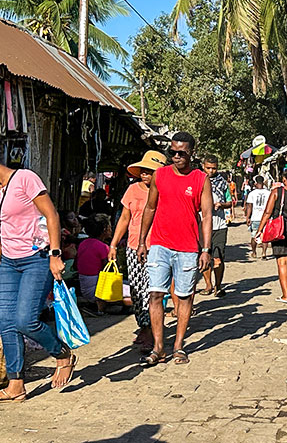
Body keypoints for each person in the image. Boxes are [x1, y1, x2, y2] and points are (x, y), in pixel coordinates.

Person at [0, 128, 76, 402]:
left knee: (26, 320)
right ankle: (16, 385)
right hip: (9, 261)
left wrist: (56, 254)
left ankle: (62, 353)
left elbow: (51, 214)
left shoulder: (26, 179)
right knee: (6, 322)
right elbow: (1, 222)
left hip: (37, 258)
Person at [138, 132, 213, 367]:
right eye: (173, 152)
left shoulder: (201, 179)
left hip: (189, 248)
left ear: (191, 152)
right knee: (155, 294)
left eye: (182, 152)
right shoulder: (160, 175)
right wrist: (142, 241)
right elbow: (150, 208)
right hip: (160, 244)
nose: (177, 156)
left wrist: (206, 249)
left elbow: (207, 215)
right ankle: (159, 347)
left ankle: (178, 345)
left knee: (184, 297)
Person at [108, 150, 166, 353]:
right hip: (134, 247)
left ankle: (151, 332)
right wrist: (113, 245)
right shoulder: (132, 190)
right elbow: (124, 219)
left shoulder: (164, 191)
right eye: (143, 171)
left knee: (153, 291)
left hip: (158, 247)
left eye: (150, 171)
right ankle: (144, 326)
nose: (145, 175)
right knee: (136, 290)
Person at [256, 168, 287, 303]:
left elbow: (267, 212)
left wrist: (260, 229)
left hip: (280, 230)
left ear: (284, 179)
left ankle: (285, 295)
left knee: (282, 262)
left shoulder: (276, 192)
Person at [201, 155, 230, 296]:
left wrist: (221, 204)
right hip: (202, 225)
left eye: (214, 168)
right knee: (205, 256)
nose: (211, 171)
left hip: (219, 225)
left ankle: (218, 286)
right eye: (208, 168)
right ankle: (208, 285)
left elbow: (231, 201)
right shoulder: (198, 181)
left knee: (218, 257)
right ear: (203, 166)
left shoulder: (222, 182)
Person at [77, 214, 112, 315]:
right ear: (105, 229)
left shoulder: (82, 244)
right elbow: (108, 271)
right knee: (130, 293)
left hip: (85, 289)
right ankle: (99, 306)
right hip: (97, 292)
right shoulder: (103, 247)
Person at [244, 175, 270, 259]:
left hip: (255, 218)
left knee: (254, 235)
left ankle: (254, 252)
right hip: (265, 218)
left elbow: (249, 206)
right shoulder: (268, 193)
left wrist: (248, 217)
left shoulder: (252, 193)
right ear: (263, 182)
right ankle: (264, 253)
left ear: (255, 183)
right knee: (265, 236)